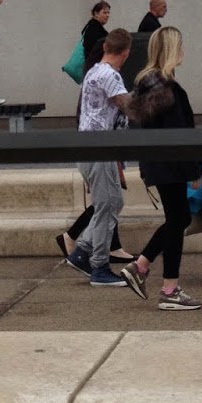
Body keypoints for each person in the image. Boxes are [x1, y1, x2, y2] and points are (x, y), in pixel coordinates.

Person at [120, 26, 202, 310]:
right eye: (180, 46)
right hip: (172, 165)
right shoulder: (168, 89)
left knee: (177, 219)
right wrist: (195, 169)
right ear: (171, 50)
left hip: (157, 163)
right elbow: (180, 135)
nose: (183, 51)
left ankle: (143, 268)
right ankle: (168, 288)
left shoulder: (147, 84)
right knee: (178, 220)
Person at [66, 28, 132, 287]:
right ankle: (99, 266)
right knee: (108, 205)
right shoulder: (110, 76)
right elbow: (128, 106)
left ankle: (83, 251)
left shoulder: (93, 71)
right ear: (126, 53)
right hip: (100, 148)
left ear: (105, 48)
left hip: (87, 147)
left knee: (112, 202)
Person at [80, 0, 112, 70]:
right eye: (104, 12)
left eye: (108, 13)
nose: (107, 15)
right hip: (94, 68)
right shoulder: (95, 28)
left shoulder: (91, 26)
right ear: (96, 14)